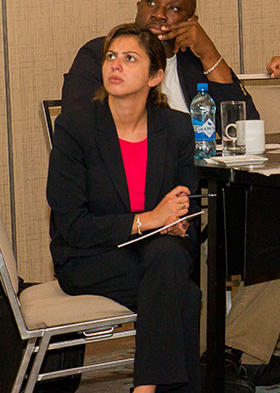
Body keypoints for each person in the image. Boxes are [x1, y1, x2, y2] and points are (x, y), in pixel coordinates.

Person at [60, 0, 280, 390]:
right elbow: (87, 131)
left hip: (197, 201)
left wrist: (209, 53)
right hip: (124, 215)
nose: (159, 15)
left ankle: (231, 353)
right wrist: (154, 215)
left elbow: (243, 124)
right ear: (137, 7)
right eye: (151, 3)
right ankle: (206, 367)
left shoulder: (192, 64)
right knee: (178, 273)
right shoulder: (100, 57)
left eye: (173, 9)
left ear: (190, 21)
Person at [48, 24, 201, 392]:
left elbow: (186, 204)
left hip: (155, 252)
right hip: (89, 257)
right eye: (111, 57)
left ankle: (144, 389)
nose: (115, 65)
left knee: (169, 259)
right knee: (182, 291)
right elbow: (72, 226)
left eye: (130, 59)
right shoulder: (75, 128)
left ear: (155, 76)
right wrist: (149, 220)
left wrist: (177, 222)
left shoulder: (176, 128)